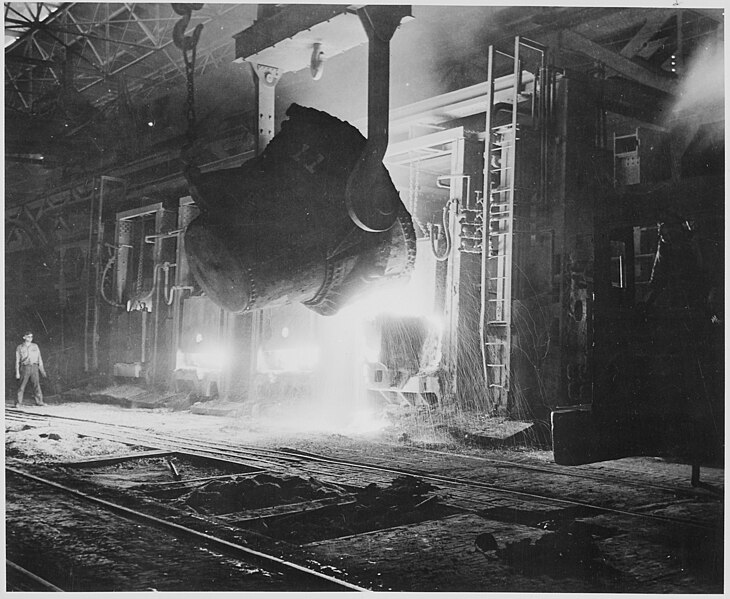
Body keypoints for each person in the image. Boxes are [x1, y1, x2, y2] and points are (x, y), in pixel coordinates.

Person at [15, 331, 46, 407]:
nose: (30, 338)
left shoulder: (35, 346)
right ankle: (18, 403)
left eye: (31, 337)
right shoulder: (20, 347)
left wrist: (42, 370)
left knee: (36, 385)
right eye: (28, 336)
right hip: (25, 367)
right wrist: (17, 372)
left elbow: (39, 358)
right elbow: (17, 361)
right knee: (21, 386)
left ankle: (39, 402)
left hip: (34, 367)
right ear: (24, 337)